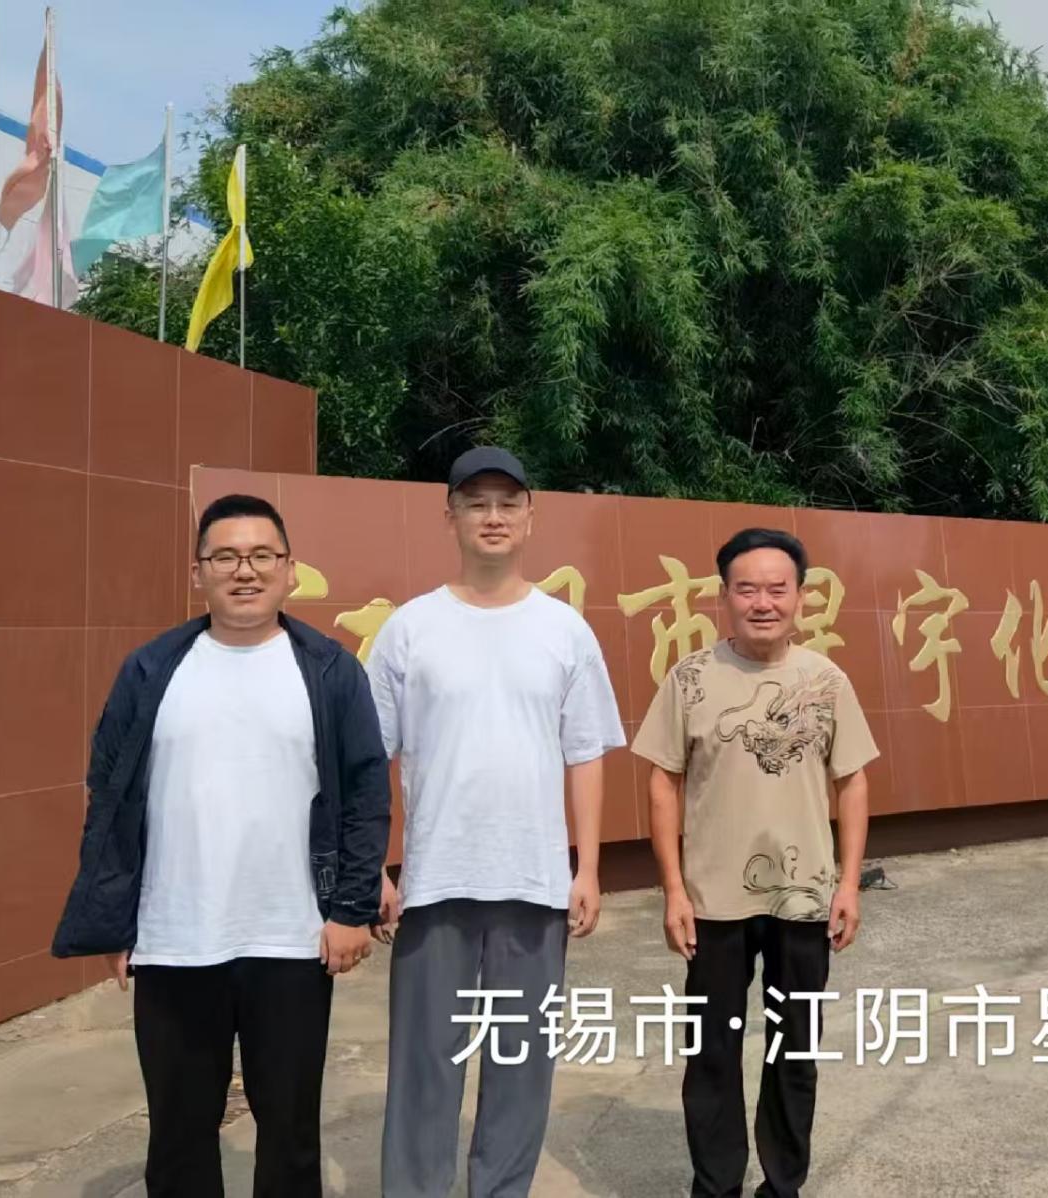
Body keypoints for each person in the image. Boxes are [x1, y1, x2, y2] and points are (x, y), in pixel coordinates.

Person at [51, 493, 392, 1198]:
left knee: (290, 1135)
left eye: (263, 555)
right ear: (197, 571)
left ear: (289, 570)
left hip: (292, 940)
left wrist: (351, 909)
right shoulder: (151, 671)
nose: (245, 570)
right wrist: (115, 920)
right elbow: (108, 797)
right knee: (179, 1136)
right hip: (175, 940)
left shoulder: (329, 671)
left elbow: (366, 794)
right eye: (226, 556)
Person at [369, 446, 627, 1198]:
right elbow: (371, 756)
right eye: (476, 502)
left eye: (507, 503)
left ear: (530, 518)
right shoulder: (410, 628)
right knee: (425, 1063)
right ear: (449, 515)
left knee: (521, 1060)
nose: (492, 516)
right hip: (434, 882)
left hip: (534, 881)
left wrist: (587, 868)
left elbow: (584, 754)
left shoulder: (564, 630)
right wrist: (376, 867)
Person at [632, 527, 878, 1198]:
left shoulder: (825, 680)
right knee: (712, 1051)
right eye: (747, 589)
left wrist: (849, 884)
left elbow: (853, 781)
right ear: (724, 597)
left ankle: (782, 1185)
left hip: (805, 898)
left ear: (800, 597)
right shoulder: (690, 679)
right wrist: (673, 889)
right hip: (712, 900)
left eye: (777, 589)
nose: (762, 603)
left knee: (794, 1048)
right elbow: (663, 782)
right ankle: (715, 1186)